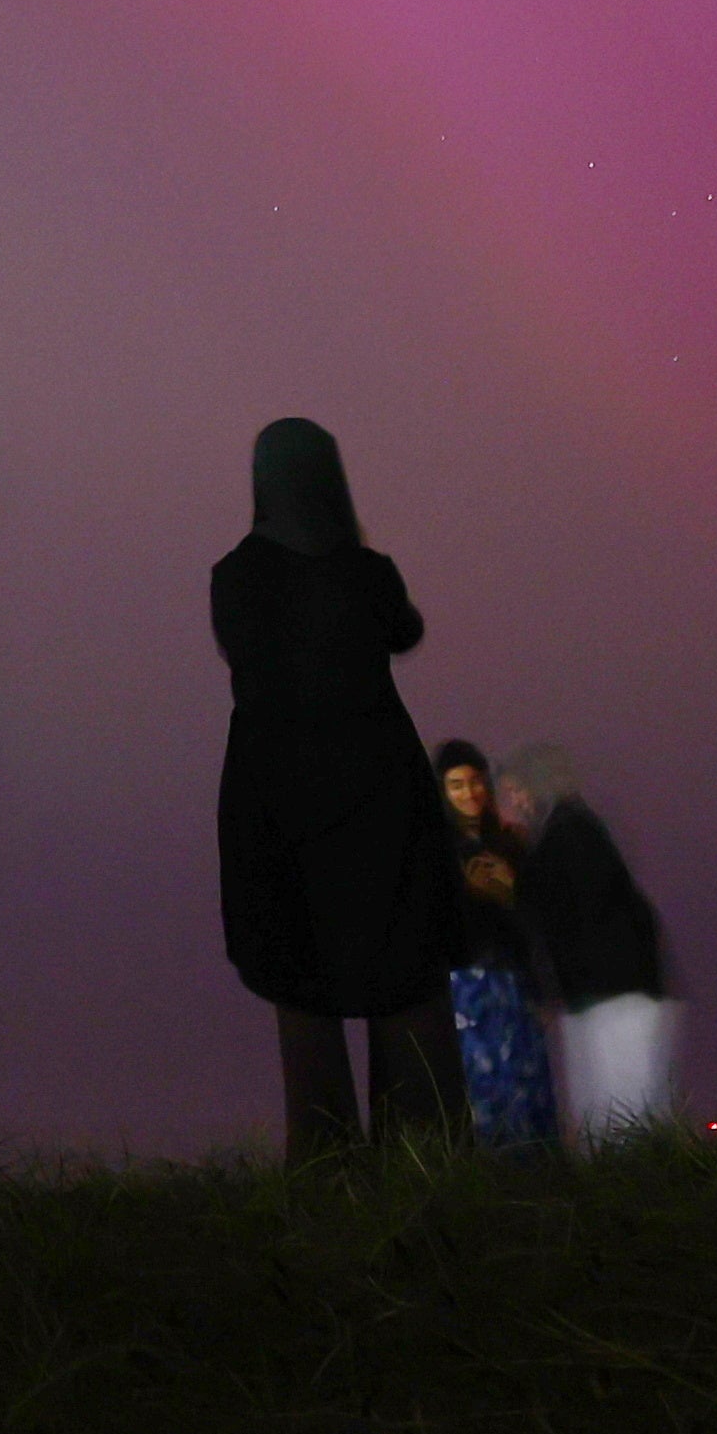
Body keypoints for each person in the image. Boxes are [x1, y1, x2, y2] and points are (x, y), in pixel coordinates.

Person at [212, 420, 469, 1159]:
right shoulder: (366, 571)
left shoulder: (235, 575)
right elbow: (403, 630)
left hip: (274, 786)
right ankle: (425, 1153)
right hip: (377, 783)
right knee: (405, 967)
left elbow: (246, 650)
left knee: (299, 974)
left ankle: (322, 1158)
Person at [497, 743, 676, 1146]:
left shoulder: (569, 833)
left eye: (517, 792)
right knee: (616, 1120)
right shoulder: (573, 828)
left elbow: (566, 912)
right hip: (611, 991)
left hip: (611, 994)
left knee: (618, 1121)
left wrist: (515, 884)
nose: (516, 803)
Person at [433, 744, 557, 1149]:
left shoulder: (508, 844)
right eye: (456, 785)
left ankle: (538, 1178)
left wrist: (511, 887)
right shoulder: (438, 849)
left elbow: (535, 917)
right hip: (466, 985)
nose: (469, 793)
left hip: (514, 981)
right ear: (442, 791)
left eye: (475, 782)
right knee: (483, 1089)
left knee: (527, 1082)